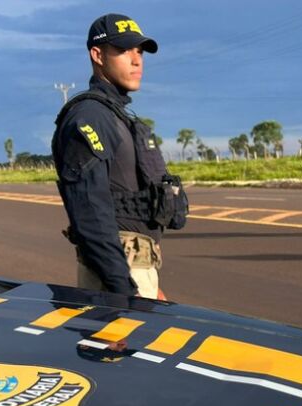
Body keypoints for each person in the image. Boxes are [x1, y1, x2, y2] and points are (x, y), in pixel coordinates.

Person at [52, 13, 187, 299]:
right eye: (124, 50)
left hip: (135, 272)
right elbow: (90, 213)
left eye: (139, 51)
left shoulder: (116, 117)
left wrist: (149, 281)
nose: (136, 60)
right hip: (116, 281)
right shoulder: (90, 117)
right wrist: (124, 289)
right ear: (97, 55)